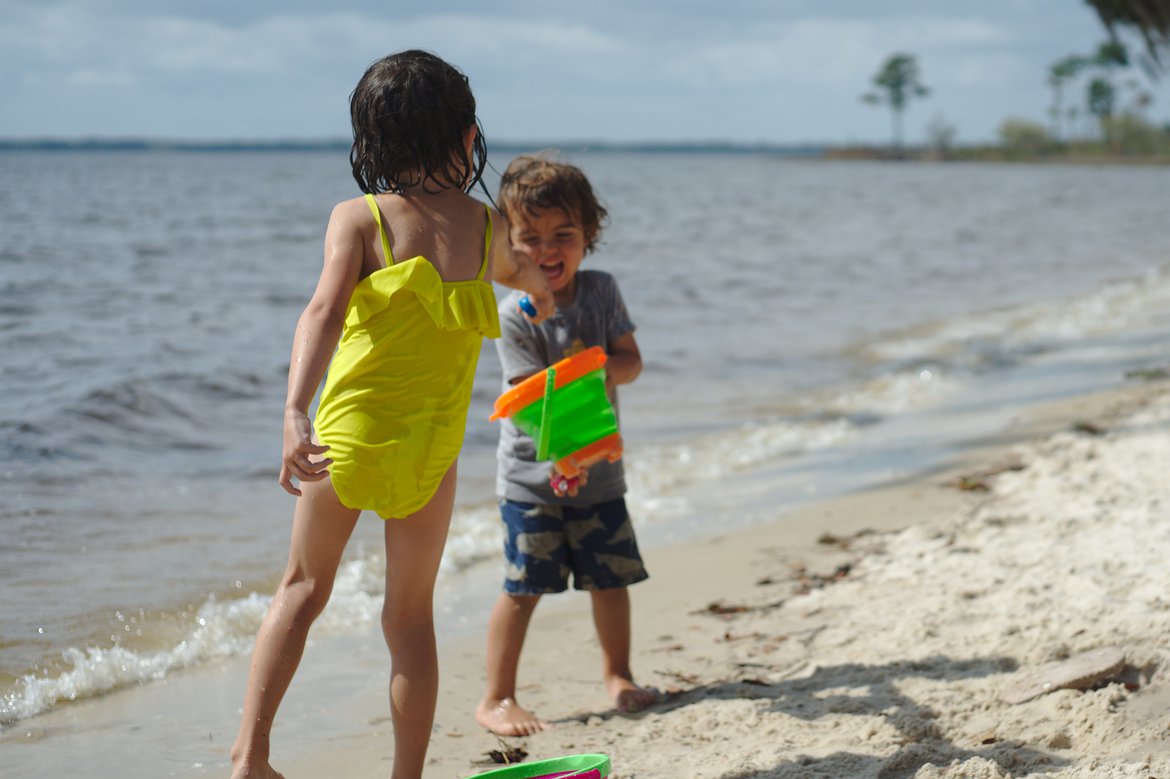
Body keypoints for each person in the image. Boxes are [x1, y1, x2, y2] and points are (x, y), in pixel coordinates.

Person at [229, 50, 554, 779]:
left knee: (303, 589)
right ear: (470, 137)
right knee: (408, 618)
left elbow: (321, 312)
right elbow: (537, 284)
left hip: (345, 439)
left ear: (372, 142)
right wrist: (554, 285)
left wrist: (292, 411)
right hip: (430, 451)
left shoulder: (361, 217)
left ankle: (251, 757)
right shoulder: (487, 228)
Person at [475, 154, 656, 738]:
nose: (548, 250)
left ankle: (618, 676)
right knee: (524, 585)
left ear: (589, 236)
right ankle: (497, 697)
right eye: (530, 238)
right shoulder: (513, 315)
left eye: (565, 236)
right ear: (508, 244)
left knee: (611, 578)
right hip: (534, 476)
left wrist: (603, 370)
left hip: (599, 470)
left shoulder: (601, 292)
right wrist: (564, 452)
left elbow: (631, 361)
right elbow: (526, 401)